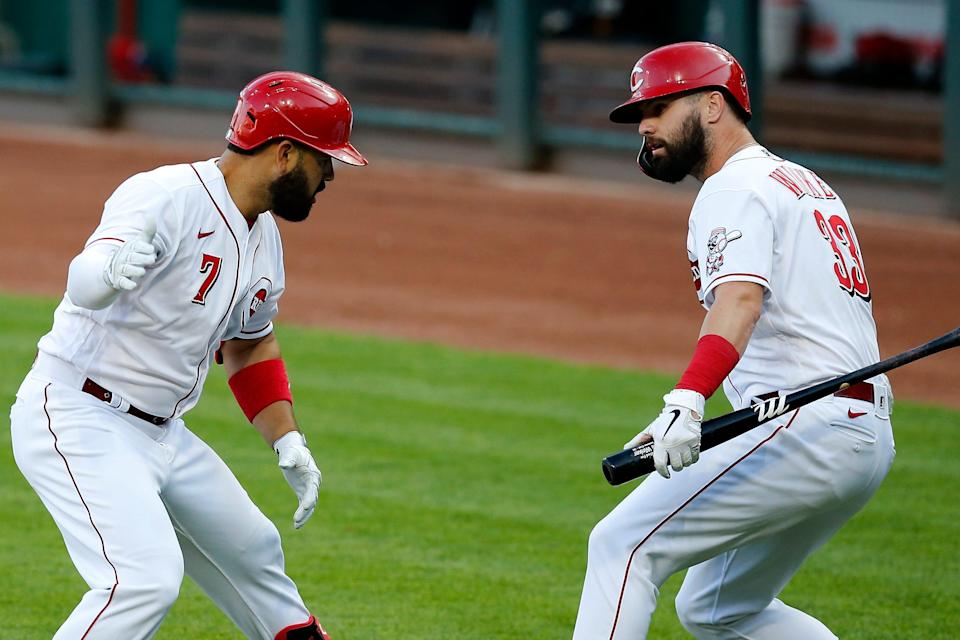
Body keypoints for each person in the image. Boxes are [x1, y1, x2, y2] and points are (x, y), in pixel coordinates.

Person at [9, 71, 367, 639]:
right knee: (142, 581)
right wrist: (105, 271)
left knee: (254, 550)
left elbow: (249, 342)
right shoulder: (165, 195)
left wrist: (287, 439)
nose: (328, 175)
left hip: (163, 434)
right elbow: (85, 278)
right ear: (283, 152)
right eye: (323, 159)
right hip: (81, 413)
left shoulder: (264, 235)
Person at [573, 42, 895, 639]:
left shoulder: (733, 188)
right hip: (862, 436)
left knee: (621, 548)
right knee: (719, 609)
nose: (644, 126)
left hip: (804, 425)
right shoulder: (803, 183)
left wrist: (688, 398)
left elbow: (740, 300)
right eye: (640, 112)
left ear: (714, 105)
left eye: (661, 107)